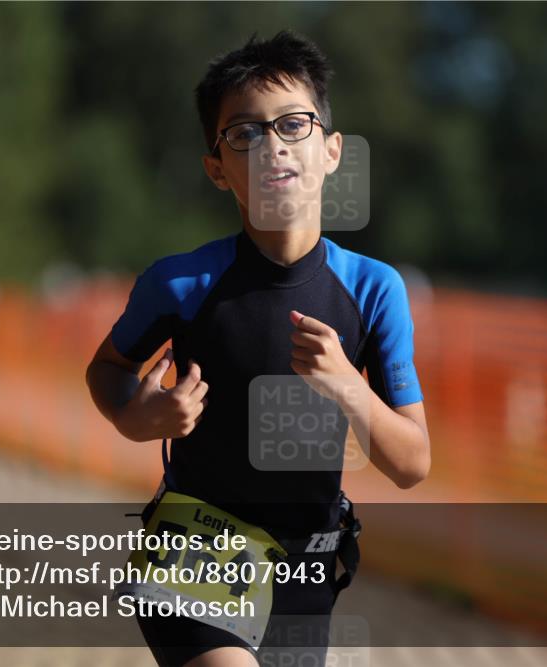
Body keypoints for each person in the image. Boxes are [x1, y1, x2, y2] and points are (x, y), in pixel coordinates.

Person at [86, 29, 430, 667]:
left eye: (292, 124)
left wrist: (349, 387)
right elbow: (107, 370)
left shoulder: (374, 290)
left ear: (331, 151)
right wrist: (141, 417)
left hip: (307, 570)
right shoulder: (180, 282)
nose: (272, 145)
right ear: (217, 169)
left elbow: (412, 463)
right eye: (243, 133)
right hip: (195, 552)